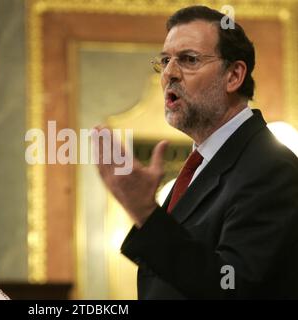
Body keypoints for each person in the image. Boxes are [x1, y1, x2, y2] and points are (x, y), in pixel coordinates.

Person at [95, 5, 298, 299]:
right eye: (165, 60)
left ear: (234, 75)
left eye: (188, 60)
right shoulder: (204, 163)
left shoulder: (271, 168)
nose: (169, 74)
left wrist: (146, 214)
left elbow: (231, 288)